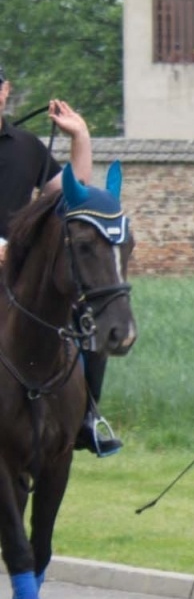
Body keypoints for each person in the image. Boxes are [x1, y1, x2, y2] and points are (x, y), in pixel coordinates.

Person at [0, 68, 121, 455]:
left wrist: (80, 137)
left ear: (5, 91)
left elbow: (70, 195)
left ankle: (86, 418)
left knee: (86, 320)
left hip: (18, 272)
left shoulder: (26, 146)